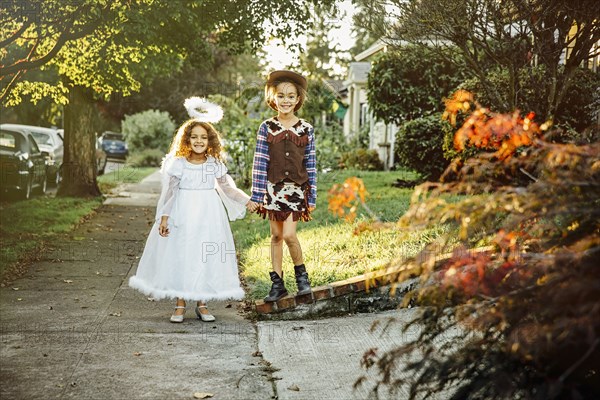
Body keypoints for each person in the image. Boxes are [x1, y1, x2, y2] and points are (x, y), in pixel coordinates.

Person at [129, 98, 251, 323]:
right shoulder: (179, 164)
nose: (198, 141)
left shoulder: (214, 164)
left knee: (204, 256)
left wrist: (248, 201)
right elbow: (170, 193)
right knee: (182, 255)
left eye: (203, 137)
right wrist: (164, 218)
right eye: (194, 136)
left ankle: (202, 304)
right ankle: (180, 303)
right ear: (186, 139)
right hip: (182, 214)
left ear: (210, 141)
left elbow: (228, 188)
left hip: (209, 216)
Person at [247, 70, 317, 302]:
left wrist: (312, 196)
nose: (285, 100)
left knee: (289, 234)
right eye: (281, 95)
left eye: (290, 96)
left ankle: (302, 278)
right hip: (272, 191)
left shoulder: (306, 129)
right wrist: (257, 195)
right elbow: (260, 162)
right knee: (276, 236)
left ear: (298, 100)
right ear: (272, 98)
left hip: (297, 191)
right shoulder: (267, 127)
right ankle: (277, 284)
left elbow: (311, 164)